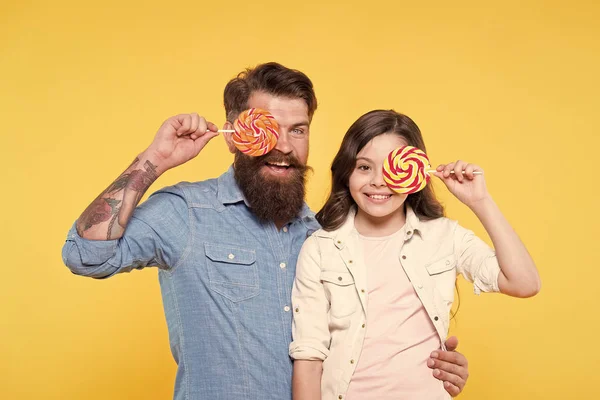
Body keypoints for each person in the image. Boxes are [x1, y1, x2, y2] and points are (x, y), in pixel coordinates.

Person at [62, 63, 471, 400]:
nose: (283, 145)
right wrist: (156, 159)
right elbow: (85, 255)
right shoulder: (187, 212)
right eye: (266, 127)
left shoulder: (324, 237)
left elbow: (361, 343)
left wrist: (427, 367)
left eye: (298, 129)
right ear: (233, 135)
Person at [290, 109, 541, 400]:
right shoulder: (320, 248)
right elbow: (308, 355)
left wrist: (480, 201)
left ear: (415, 174)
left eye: (392, 168)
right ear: (347, 172)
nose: (378, 181)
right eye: (364, 167)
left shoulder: (444, 236)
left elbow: (525, 283)